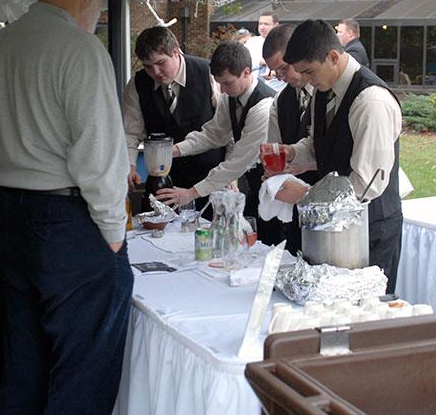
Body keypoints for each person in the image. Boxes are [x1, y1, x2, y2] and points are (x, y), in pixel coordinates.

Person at [0, 0, 133, 414]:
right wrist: (113, 233)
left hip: (9, 213)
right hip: (63, 220)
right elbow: (99, 153)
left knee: (24, 361)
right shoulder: (81, 48)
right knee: (82, 372)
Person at [276, 19, 402, 293]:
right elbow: (317, 144)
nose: (305, 80)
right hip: (331, 228)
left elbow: (365, 184)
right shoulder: (322, 90)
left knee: (360, 312)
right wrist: (292, 153)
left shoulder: (371, 101)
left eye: (309, 72)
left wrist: (305, 195)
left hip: (370, 230)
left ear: (333, 56)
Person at [157, 41, 275, 218]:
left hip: (276, 190)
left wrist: (190, 193)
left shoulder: (264, 107)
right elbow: (214, 134)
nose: (223, 90)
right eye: (219, 83)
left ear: (246, 72)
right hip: (255, 185)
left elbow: (240, 160)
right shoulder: (231, 96)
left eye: (227, 83)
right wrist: (174, 150)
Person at [122, 26, 223, 211]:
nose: (155, 72)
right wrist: (129, 165)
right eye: (147, 66)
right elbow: (130, 133)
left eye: (160, 63)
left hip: (210, 179)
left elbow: (228, 129)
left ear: (176, 52)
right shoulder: (137, 84)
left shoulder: (208, 73)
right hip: (162, 181)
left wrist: (230, 176)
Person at [260, 24, 317, 254]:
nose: (282, 78)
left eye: (284, 69)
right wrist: (273, 172)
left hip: (328, 209)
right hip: (293, 211)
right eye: (276, 72)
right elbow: (275, 146)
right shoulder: (281, 100)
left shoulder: (327, 93)